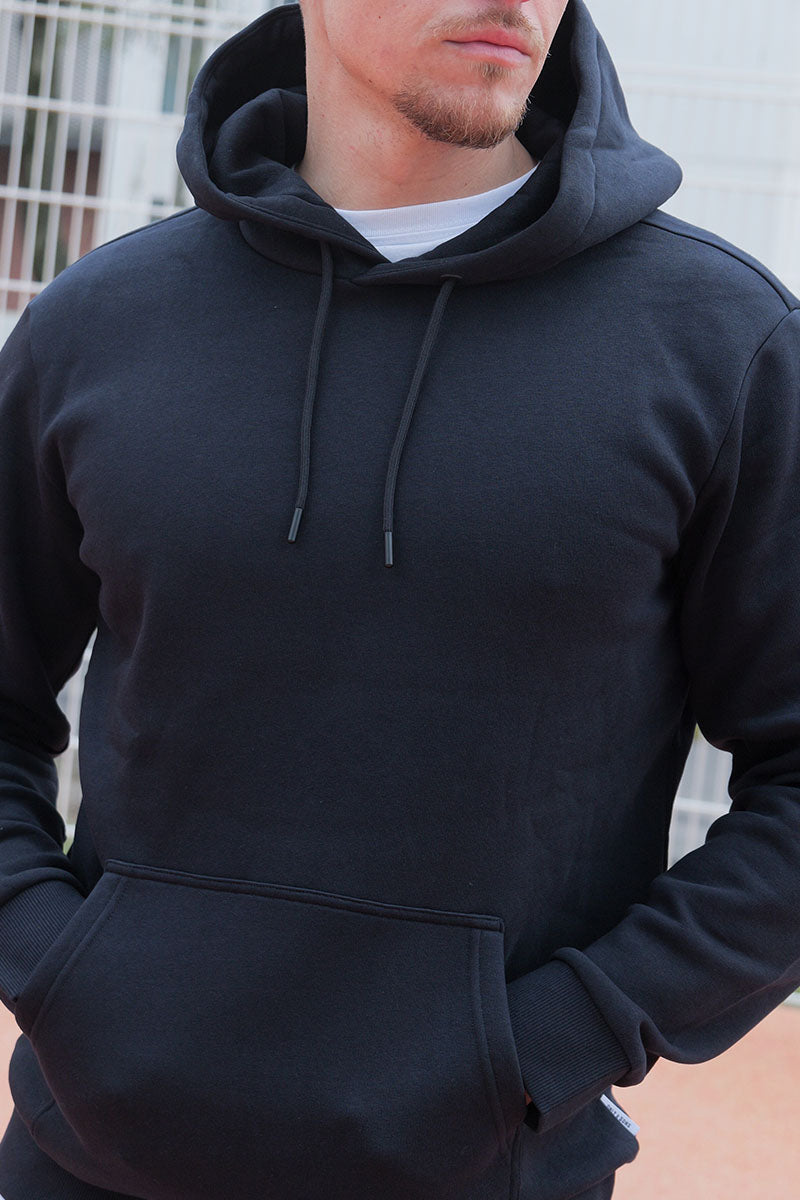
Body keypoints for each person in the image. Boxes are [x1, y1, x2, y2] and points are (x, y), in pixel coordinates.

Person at [0, 0, 798, 1196]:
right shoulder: (101, 323)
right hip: (85, 1166)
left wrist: (560, 1037)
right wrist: (54, 967)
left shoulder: (719, 344)